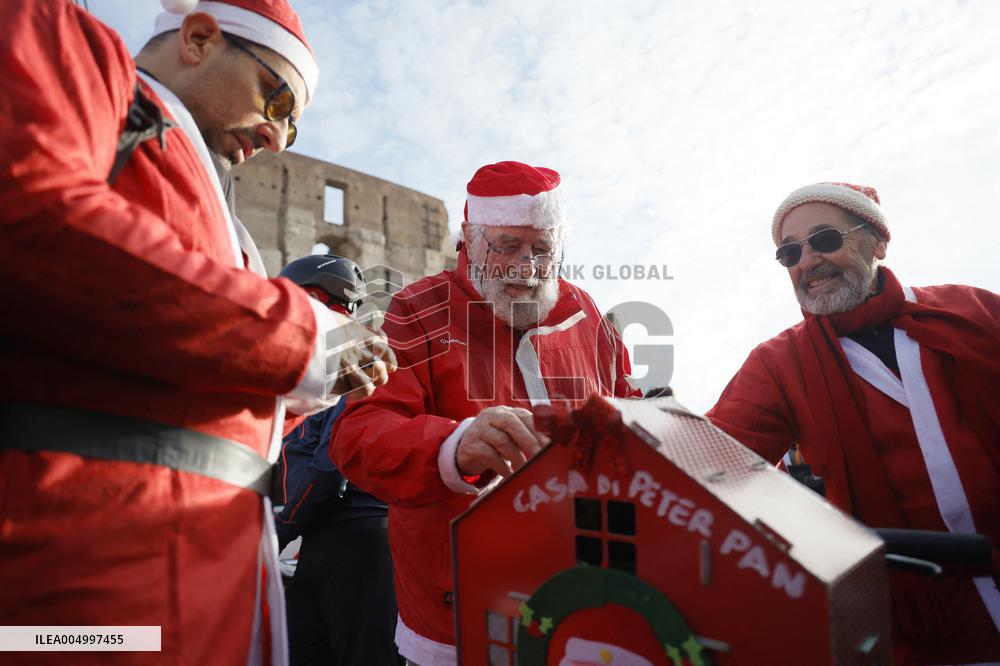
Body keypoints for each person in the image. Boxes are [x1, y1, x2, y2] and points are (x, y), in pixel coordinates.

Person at [0, 1, 394, 664]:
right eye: (277, 102)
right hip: (84, 572)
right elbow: (35, 216)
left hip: (206, 579)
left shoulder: (230, 227)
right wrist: (306, 338)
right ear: (199, 37)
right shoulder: (86, 61)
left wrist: (320, 385)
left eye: (293, 129)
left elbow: (197, 403)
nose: (277, 138)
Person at [331, 160, 642, 665]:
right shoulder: (419, 307)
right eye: (508, 246)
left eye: (543, 249)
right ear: (471, 241)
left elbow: (629, 418)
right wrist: (453, 446)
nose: (527, 265)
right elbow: (359, 433)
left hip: (589, 595)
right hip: (459, 608)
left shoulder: (587, 314)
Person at [706, 182, 1000, 664]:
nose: (807, 261)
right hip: (919, 631)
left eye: (824, 239)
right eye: (789, 252)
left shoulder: (976, 311)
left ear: (878, 242)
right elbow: (703, 455)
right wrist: (564, 429)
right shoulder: (779, 363)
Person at [271, 254, 402, 666]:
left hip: (355, 538)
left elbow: (330, 470)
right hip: (328, 538)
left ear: (309, 296)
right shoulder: (341, 355)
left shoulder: (342, 356)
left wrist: (279, 528)